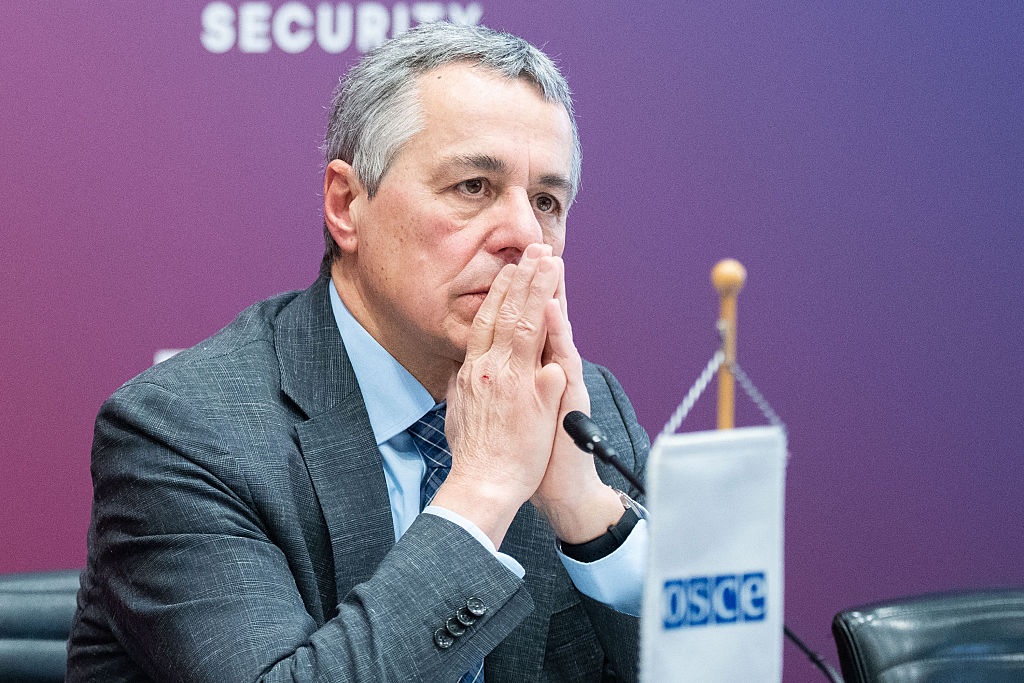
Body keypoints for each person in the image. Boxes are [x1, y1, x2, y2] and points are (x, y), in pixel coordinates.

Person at [67, 22, 649, 682]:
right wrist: (484, 487)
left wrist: (586, 514)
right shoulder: (186, 431)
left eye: (546, 201)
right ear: (346, 205)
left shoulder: (584, 414)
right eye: (473, 186)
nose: (523, 233)